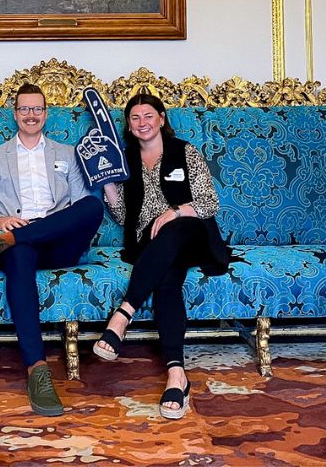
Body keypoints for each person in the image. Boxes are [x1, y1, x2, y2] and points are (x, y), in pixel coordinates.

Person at [0, 82, 104, 417]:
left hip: (58, 243)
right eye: (24, 109)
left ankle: (3, 244)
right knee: (21, 254)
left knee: (92, 207)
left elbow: (80, 206)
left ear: (46, 113)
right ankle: (37, 371)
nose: (31, 115)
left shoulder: (68, 154)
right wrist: (1, 221)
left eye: (37, 109)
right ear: (15, 114)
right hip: (17, 241)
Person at [94, 93, 230, 420]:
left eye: (148, 116)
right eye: (135, 118)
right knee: (167, 283)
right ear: (129, 125)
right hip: (151, 245)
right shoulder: (126, 160)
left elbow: (209, 203)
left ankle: (123, 314)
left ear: (162, 118)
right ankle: (176, 374)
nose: (142, 123)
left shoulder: (185, 152)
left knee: (175, 228)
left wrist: (175, 212)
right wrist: (109, 185)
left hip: (191, 232)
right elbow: (124, 216)